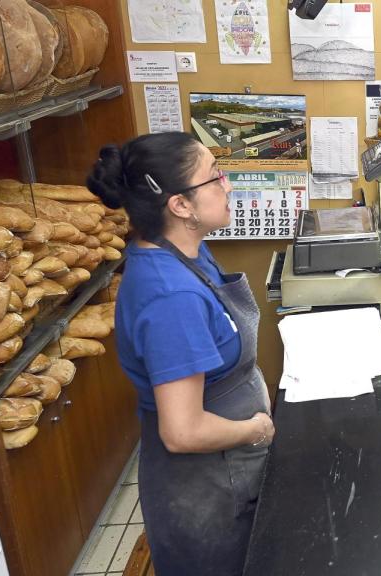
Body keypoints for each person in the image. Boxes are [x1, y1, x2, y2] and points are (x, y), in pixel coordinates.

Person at [87, 132, 275, 575]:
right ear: (181, 205)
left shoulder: (186, 254)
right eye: (215, 177)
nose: (228, 186)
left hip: (228, 473)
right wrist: (257, 429)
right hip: (207, 493)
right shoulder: (171, 296)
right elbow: (183, 431)